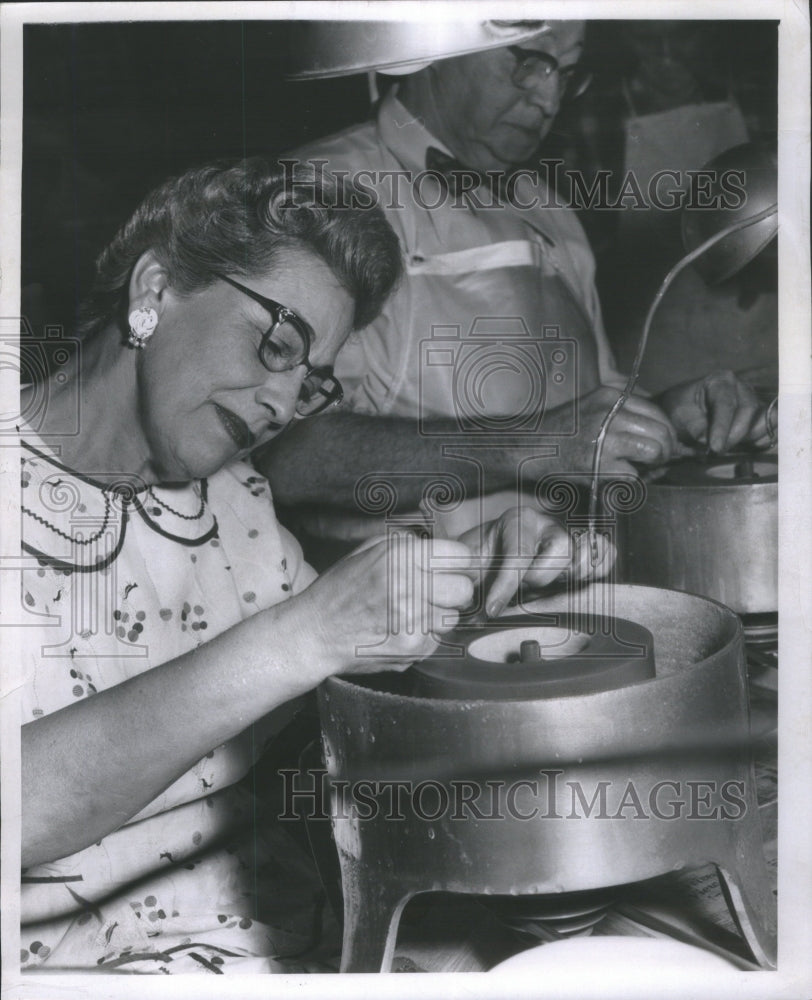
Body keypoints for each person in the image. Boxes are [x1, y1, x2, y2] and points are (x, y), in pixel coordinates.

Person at [18, 158, 612, 974]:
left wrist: (482, 575)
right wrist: (303, 636)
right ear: (155, 289)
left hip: (290, 945)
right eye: (278, 341)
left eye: (309, 381)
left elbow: (344, 680)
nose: (278, 404)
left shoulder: (230, 500)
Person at [255, 19, 771, 551]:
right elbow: (287, 457)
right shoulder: (317, 189)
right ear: (437, 47)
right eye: (528, 61)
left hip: (563, 584)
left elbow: (591, 410)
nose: (550, 98)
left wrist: (665, 422)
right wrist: (535, 445)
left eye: (567, 74)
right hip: (405, 607)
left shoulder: (549, 209)